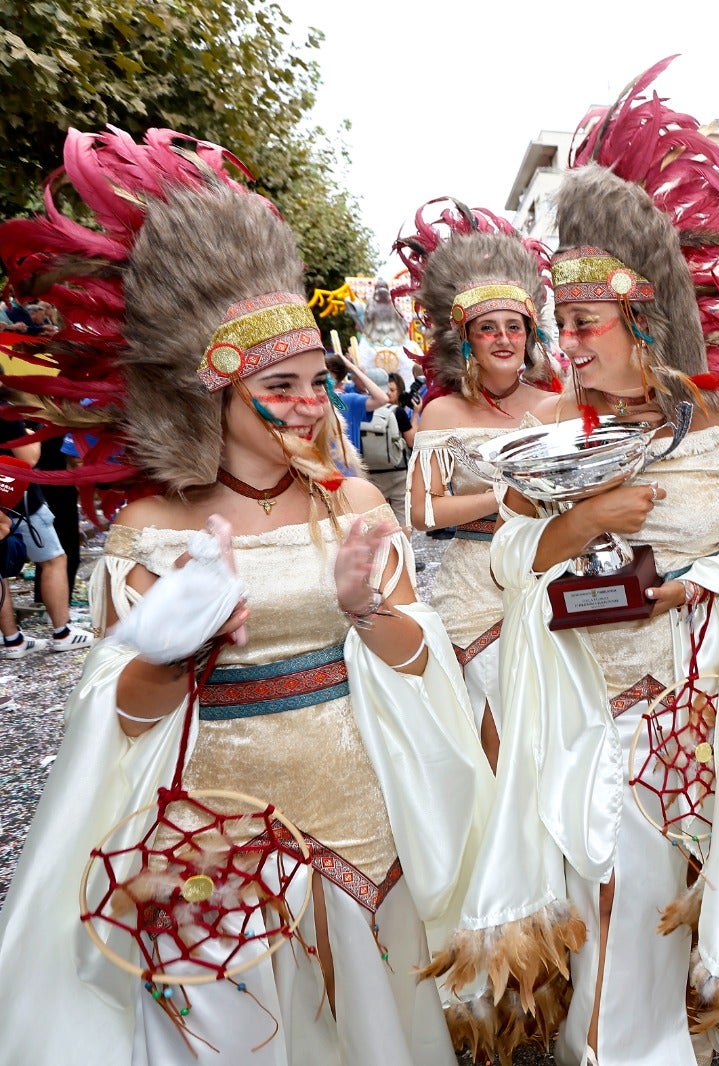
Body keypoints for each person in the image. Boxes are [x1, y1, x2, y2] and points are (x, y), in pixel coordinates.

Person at [0, 126, 499, 1062]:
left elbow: (423, 661)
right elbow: (121, 716)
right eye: (283, 385)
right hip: (213, 840)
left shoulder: (351, 502)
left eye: (318, 381)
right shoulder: (155, 523)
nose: (312, 404)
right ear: (216, 396)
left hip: (360, 813)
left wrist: (366, 611)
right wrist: (175, 648)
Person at [494, 60, 719, 1064]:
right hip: (586, 695)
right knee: (609, 889)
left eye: (581, 323)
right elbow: (512, 557)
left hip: (703, 691)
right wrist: (590, 521)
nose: (563, 342)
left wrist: (709, 578)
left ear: (642, 317)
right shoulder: (550, 430)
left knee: (681, 899)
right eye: (558, 323)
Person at [396, 198, 562, 767]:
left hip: (546, 572)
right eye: (487, 328)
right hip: (473, 586)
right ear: (465, 338)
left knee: (550, 729)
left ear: (530, 335)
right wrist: (501, 497)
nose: (502, 338)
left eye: (514, 327)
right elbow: (421, 512)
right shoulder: (441, 414)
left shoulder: (559, 406)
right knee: (491, 731)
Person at [0, 414, 95, 655]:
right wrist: (32, 437)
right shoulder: (5, 413)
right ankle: (62, 632)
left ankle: (12, 640)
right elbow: (29, 458)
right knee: (54, 559)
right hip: (19, 500)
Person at [357, 371, 415, 518]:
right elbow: (411, 441)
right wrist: (416, 414)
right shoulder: (397, 412)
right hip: (397, 471)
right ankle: (404, 542)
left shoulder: (359, 411)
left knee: (377, 516)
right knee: (402, 516)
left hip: (369, 472)